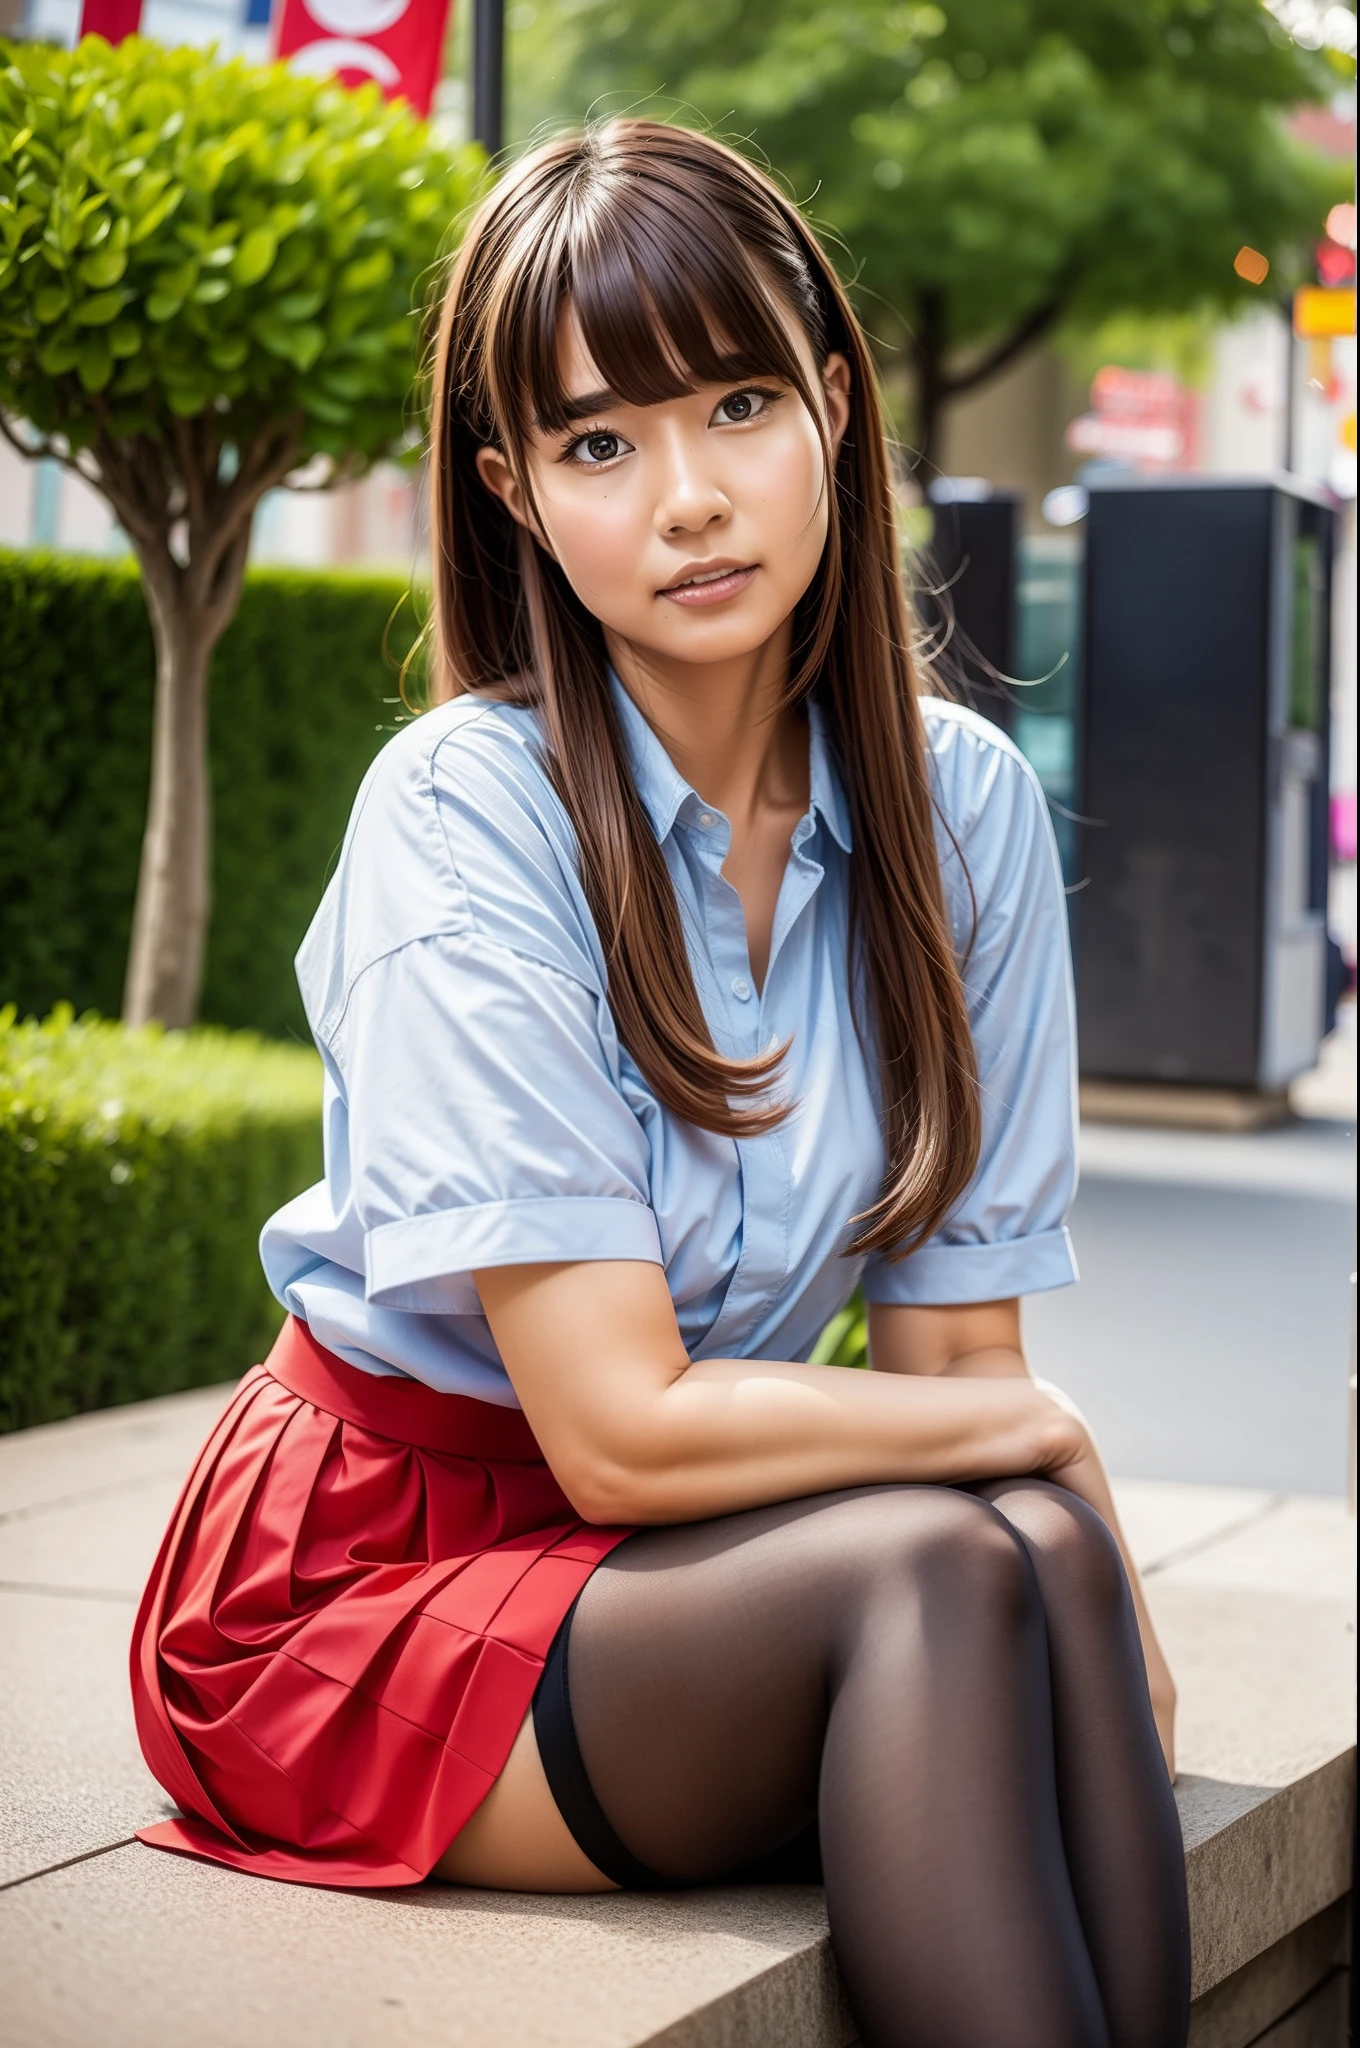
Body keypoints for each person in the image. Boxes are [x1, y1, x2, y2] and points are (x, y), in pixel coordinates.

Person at [130, 120, 1190, 2048]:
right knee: (966, 1566)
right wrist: (1060, 1458)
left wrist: (1054, 1494)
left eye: (737, 402)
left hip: (679, 1560)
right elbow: (616, 1427)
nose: (690, 498)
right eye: (601, 442)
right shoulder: (466, 817)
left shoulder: (962, 814)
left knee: (1011, 1545)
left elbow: (958, 1369)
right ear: (516, 493)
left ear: (838, 409)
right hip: (372, 1586)